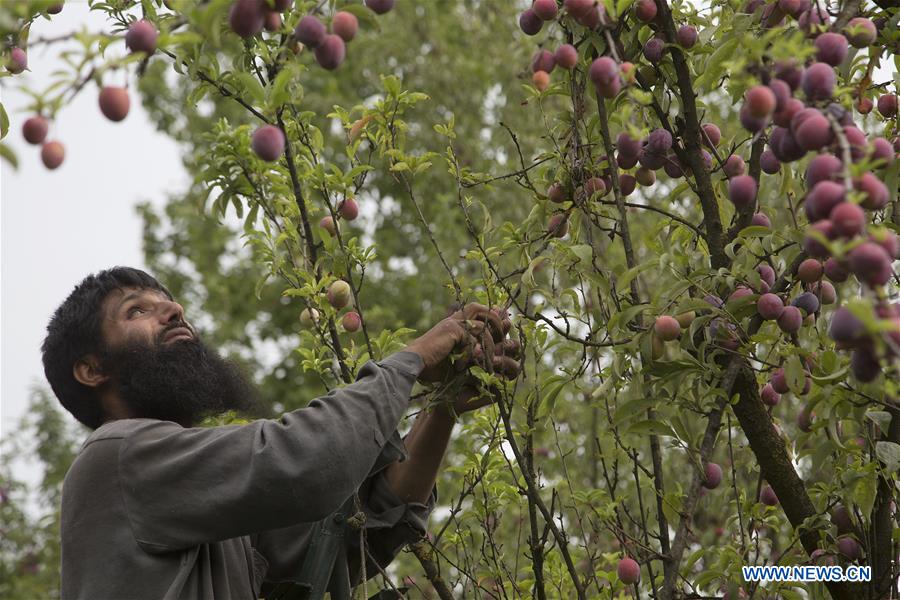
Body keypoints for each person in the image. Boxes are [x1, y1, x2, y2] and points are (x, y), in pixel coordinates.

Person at [41, 267, 520, 599]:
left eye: (168, 302)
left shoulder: (198, 503)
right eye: (136, 311)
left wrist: (443, 408)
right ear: (90, 368)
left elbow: (351, 538)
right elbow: (304, 460)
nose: (174, 310)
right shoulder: (116, 456)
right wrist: (416, 356)